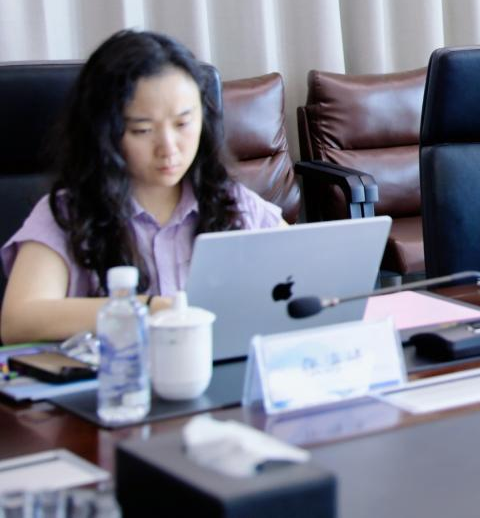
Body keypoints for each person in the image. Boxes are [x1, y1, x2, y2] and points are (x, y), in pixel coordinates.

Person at [0, 30, 283, 343]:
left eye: (183, 123)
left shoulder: (233, 202)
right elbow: (19, 319)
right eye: (143, 130)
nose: (169, 148)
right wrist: (150, 309)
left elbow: (307, 265)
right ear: (104, 132)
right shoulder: (68, 213)